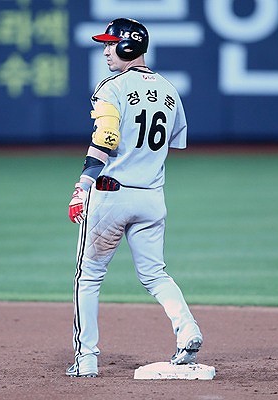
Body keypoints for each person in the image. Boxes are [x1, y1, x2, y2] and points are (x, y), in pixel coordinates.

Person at [65, 18, 203, 378]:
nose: (105, 51)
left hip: (111, 196)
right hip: (152, 198)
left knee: (88, 277)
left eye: (111, 44)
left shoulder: (111, 87)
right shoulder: (169, 90)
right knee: (155, 274)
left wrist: (83, 184)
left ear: (130, 46)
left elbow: (106, 138)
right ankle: (187, 328)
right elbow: (173, 142)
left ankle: (86, 359)